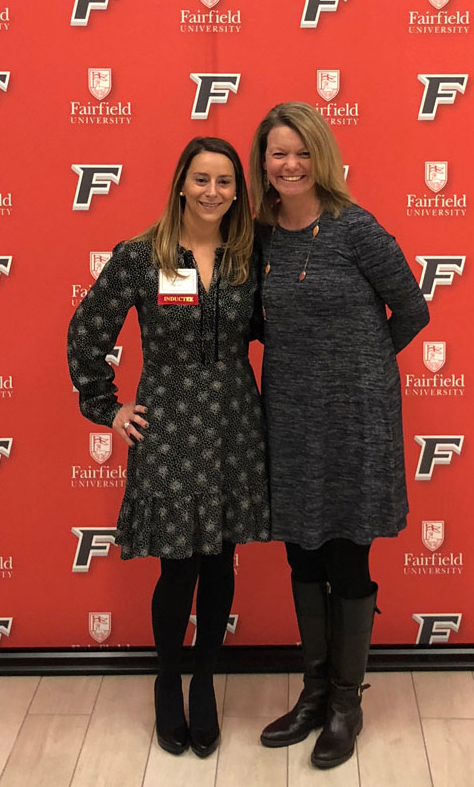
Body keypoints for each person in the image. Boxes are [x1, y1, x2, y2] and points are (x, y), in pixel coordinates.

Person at [67, 137, 270, 758]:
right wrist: (108, 406)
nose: (213, 192)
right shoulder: (140, 255)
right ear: (181, 182)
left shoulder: (249, 254)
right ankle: (167, 682)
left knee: (218, 561)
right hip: (171, 425)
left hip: (235, 418)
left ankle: (205, 681)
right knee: (178, 564)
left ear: (239, 191)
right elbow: (86, 330)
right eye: (202, 179)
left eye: (226, 182)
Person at [249, 103, 429, 769]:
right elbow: (255, 321)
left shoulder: (357, 229)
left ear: (320, 155)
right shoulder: (262, 237)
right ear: (262, 163)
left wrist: (361, 369)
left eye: (300, 151)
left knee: (348, 559)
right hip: (289, 418)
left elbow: (412, 308)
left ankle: (348, 703)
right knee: (301, 555)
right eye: (276, 153)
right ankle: (315, 693)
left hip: (356, 421)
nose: (289, 164)